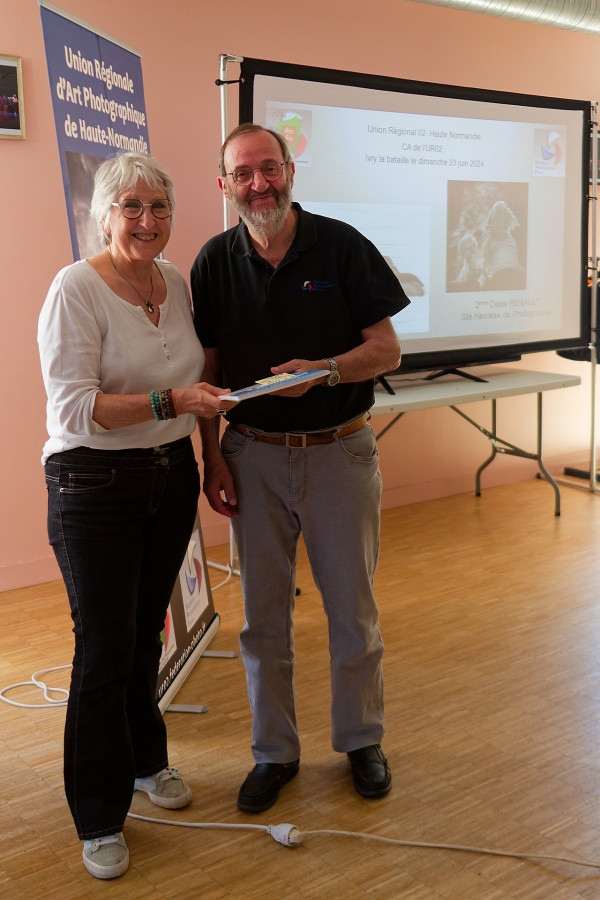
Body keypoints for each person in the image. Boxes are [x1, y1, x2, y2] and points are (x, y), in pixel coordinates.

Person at [190, 124, 410, 814]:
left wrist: (327, 372)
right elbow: (207, 370)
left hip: (339, 451)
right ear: (224, 185)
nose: (259, 184)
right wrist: (210, 457)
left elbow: (388, 350)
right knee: (262, 621)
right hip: (251, 456)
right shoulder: (213, 260)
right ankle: (274, 752)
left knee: (353, 614)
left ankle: (360, 741)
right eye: (243, 174)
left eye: (269, 169)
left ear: (291, 171)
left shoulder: (342, 246)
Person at [38, 152, 235, 880]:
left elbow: (196, 378)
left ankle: (146, 758)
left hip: (167, 477)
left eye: (159, 208)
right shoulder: (75, 288)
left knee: (144, 635)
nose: (147, 221)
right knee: (102, 649)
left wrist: (208, 453)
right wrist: (172, 403)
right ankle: (97, 813)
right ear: (104, 213)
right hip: (92, 484)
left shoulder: (174, 281)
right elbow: (74, 407)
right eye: (131, 208)